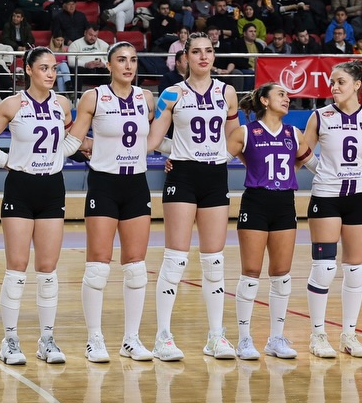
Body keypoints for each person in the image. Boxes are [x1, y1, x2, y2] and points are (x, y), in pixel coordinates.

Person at [144, 33, 239, 361]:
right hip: (182, 176)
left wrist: (220, 156)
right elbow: (153, 139)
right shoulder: (172, 93)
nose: (203, 56)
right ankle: (163, 337)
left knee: (214, 261)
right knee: (176, 258)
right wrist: (174, 151)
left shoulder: (227, 93)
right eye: (196, 52)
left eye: (208, 51)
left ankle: (216, 336)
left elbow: (234, 138)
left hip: (215, 176)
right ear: (185, 57)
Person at [0, 46, 74, 366]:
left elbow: (70, 139)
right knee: (17, 268)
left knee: (47, 269)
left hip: (52, 187)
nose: (51, 73)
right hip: (20, 187)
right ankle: (10, 340)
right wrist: (0, 159)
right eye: (44, 68)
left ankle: (47, 339)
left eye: (54, 68)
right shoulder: (12, 104)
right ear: (29, 70)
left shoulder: (63, 104)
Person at [64, 42, 155, 363]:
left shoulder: (147, 98)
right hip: (104, 184)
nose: (128, 66)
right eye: (121, 60)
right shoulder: (94, 97)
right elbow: (73, 141)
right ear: (108, 64)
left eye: (133, 60)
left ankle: (131, 339)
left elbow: (152, 139)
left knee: (136, 268)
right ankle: (94, 339)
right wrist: (37, 155)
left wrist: (180, 155)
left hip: (137, 184)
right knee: (98, 267)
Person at [297, 60, 362, 358]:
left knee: (354, 269)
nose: (334, 87)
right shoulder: (320, 116)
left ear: (357, 85)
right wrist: (321, 170)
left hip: (360, 197)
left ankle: (349, 335)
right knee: (324, 267)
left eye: (340, 82)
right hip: (327, 196)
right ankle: (318, 335)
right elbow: (301, 153)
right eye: (332, 82)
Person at [226, 83, 301, 361]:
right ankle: (244, 339)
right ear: (265, 101)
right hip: (256, 202)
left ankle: (276, 339)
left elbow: (309, 162)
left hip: (285, 203)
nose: (287, 98)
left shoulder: (294, 133)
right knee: (251, 272)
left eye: (288, 95)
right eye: (281, 94)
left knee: (281, 273)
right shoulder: (245, 132)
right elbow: (217, 159)